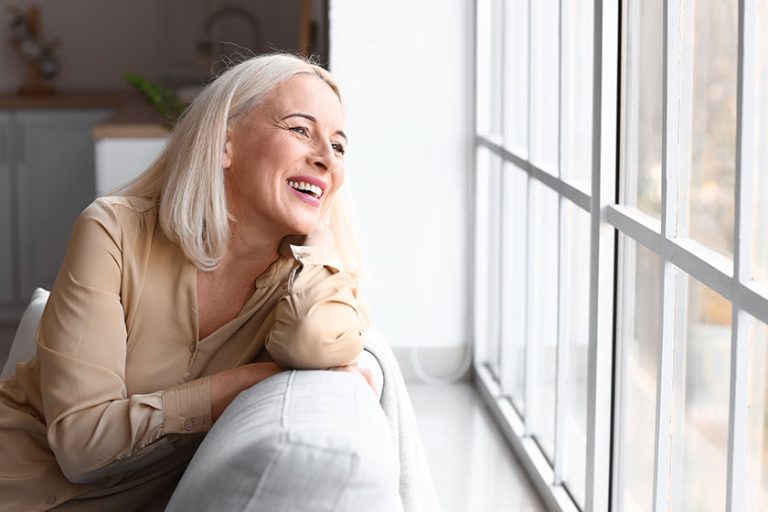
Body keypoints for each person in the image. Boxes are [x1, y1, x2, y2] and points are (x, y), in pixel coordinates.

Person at [0, 53, 384, 511]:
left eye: (339, 146)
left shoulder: (308, 284)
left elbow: (313, 342)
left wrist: (320, 242)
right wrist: (250, 381)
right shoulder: (114, 231)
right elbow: (82, 447)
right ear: (225, 144)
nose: (325, 158)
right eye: (301, 129)